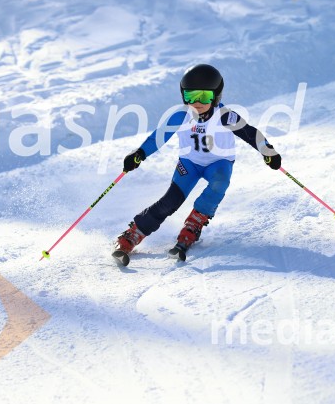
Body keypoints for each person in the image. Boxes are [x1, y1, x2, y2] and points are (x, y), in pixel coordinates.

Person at [112, 64, 282, 265]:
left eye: (204, 96)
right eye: (191, 96)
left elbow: (250, 133)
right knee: (170, 201)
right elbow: (159, 137)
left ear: (216, 96)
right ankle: (134, 233)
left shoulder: (225, 116)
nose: (197, 102)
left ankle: (194, 224)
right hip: (190, 164)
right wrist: (139, 154)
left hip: (218, 163)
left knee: (219, 182)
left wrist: (267, 151)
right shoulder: (181, 115)